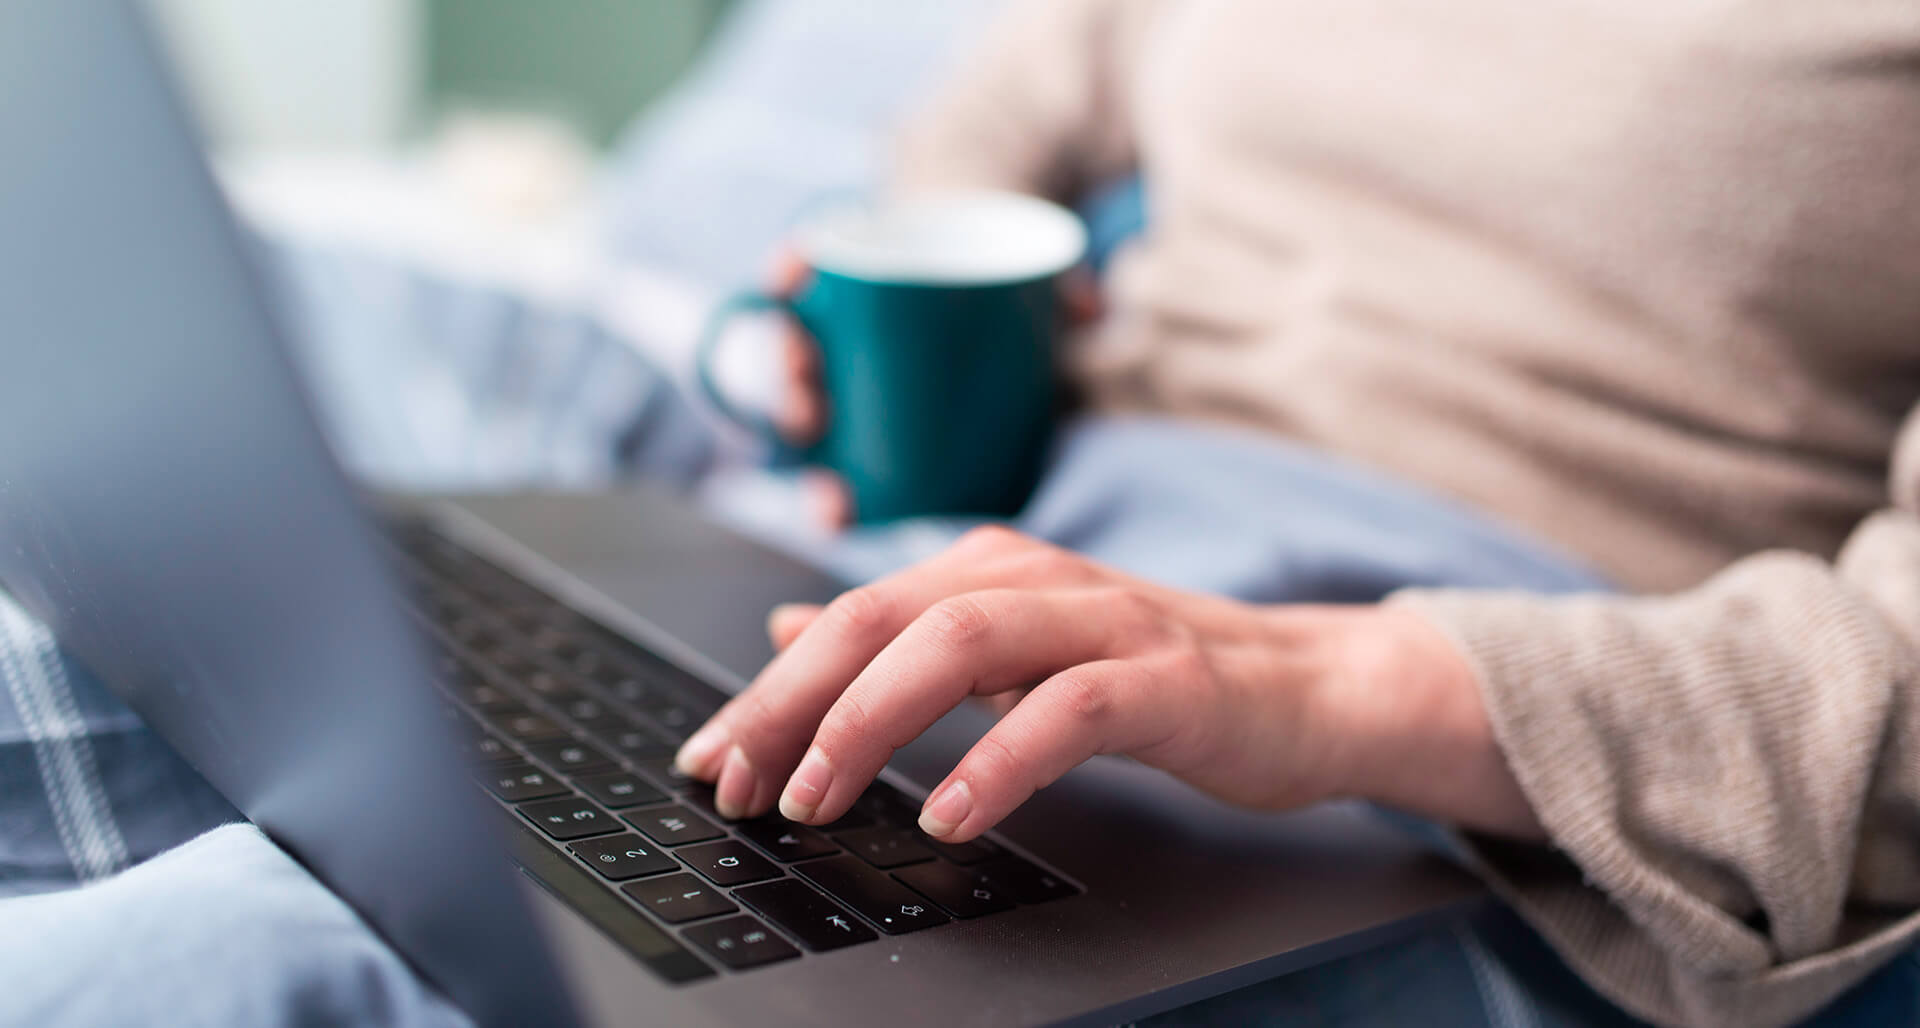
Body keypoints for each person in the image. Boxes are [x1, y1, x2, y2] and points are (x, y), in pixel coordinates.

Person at [668, 2, 1920, 1026]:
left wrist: (1321, 687)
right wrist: (920, 310)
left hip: (1480, 742)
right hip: (1011, 552)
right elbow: (998, 112)